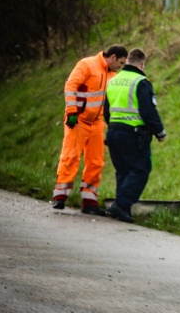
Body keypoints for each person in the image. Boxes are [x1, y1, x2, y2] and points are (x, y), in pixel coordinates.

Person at [52, 45, 129, 215]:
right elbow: (71, 85)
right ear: (113, 57)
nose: (121, 67)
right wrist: (72, 111)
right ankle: (60, 196)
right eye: (121, 63)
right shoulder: (87, 65)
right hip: (77, 121)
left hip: (96, 125)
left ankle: (89, 201)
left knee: (96, 162)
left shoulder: (113, 76)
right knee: (71, 156)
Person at [104, 48, 166, 223]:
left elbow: (106, 111)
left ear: (128, 61)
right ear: (142, 64)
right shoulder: (141, 82)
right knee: (140, 170)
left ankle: (123, 210)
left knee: (123, 171)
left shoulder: (113, 81)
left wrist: (112, 127)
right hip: (133, 134)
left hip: (113, 132)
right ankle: (121, 204)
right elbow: (148, 111)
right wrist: (159, 131)